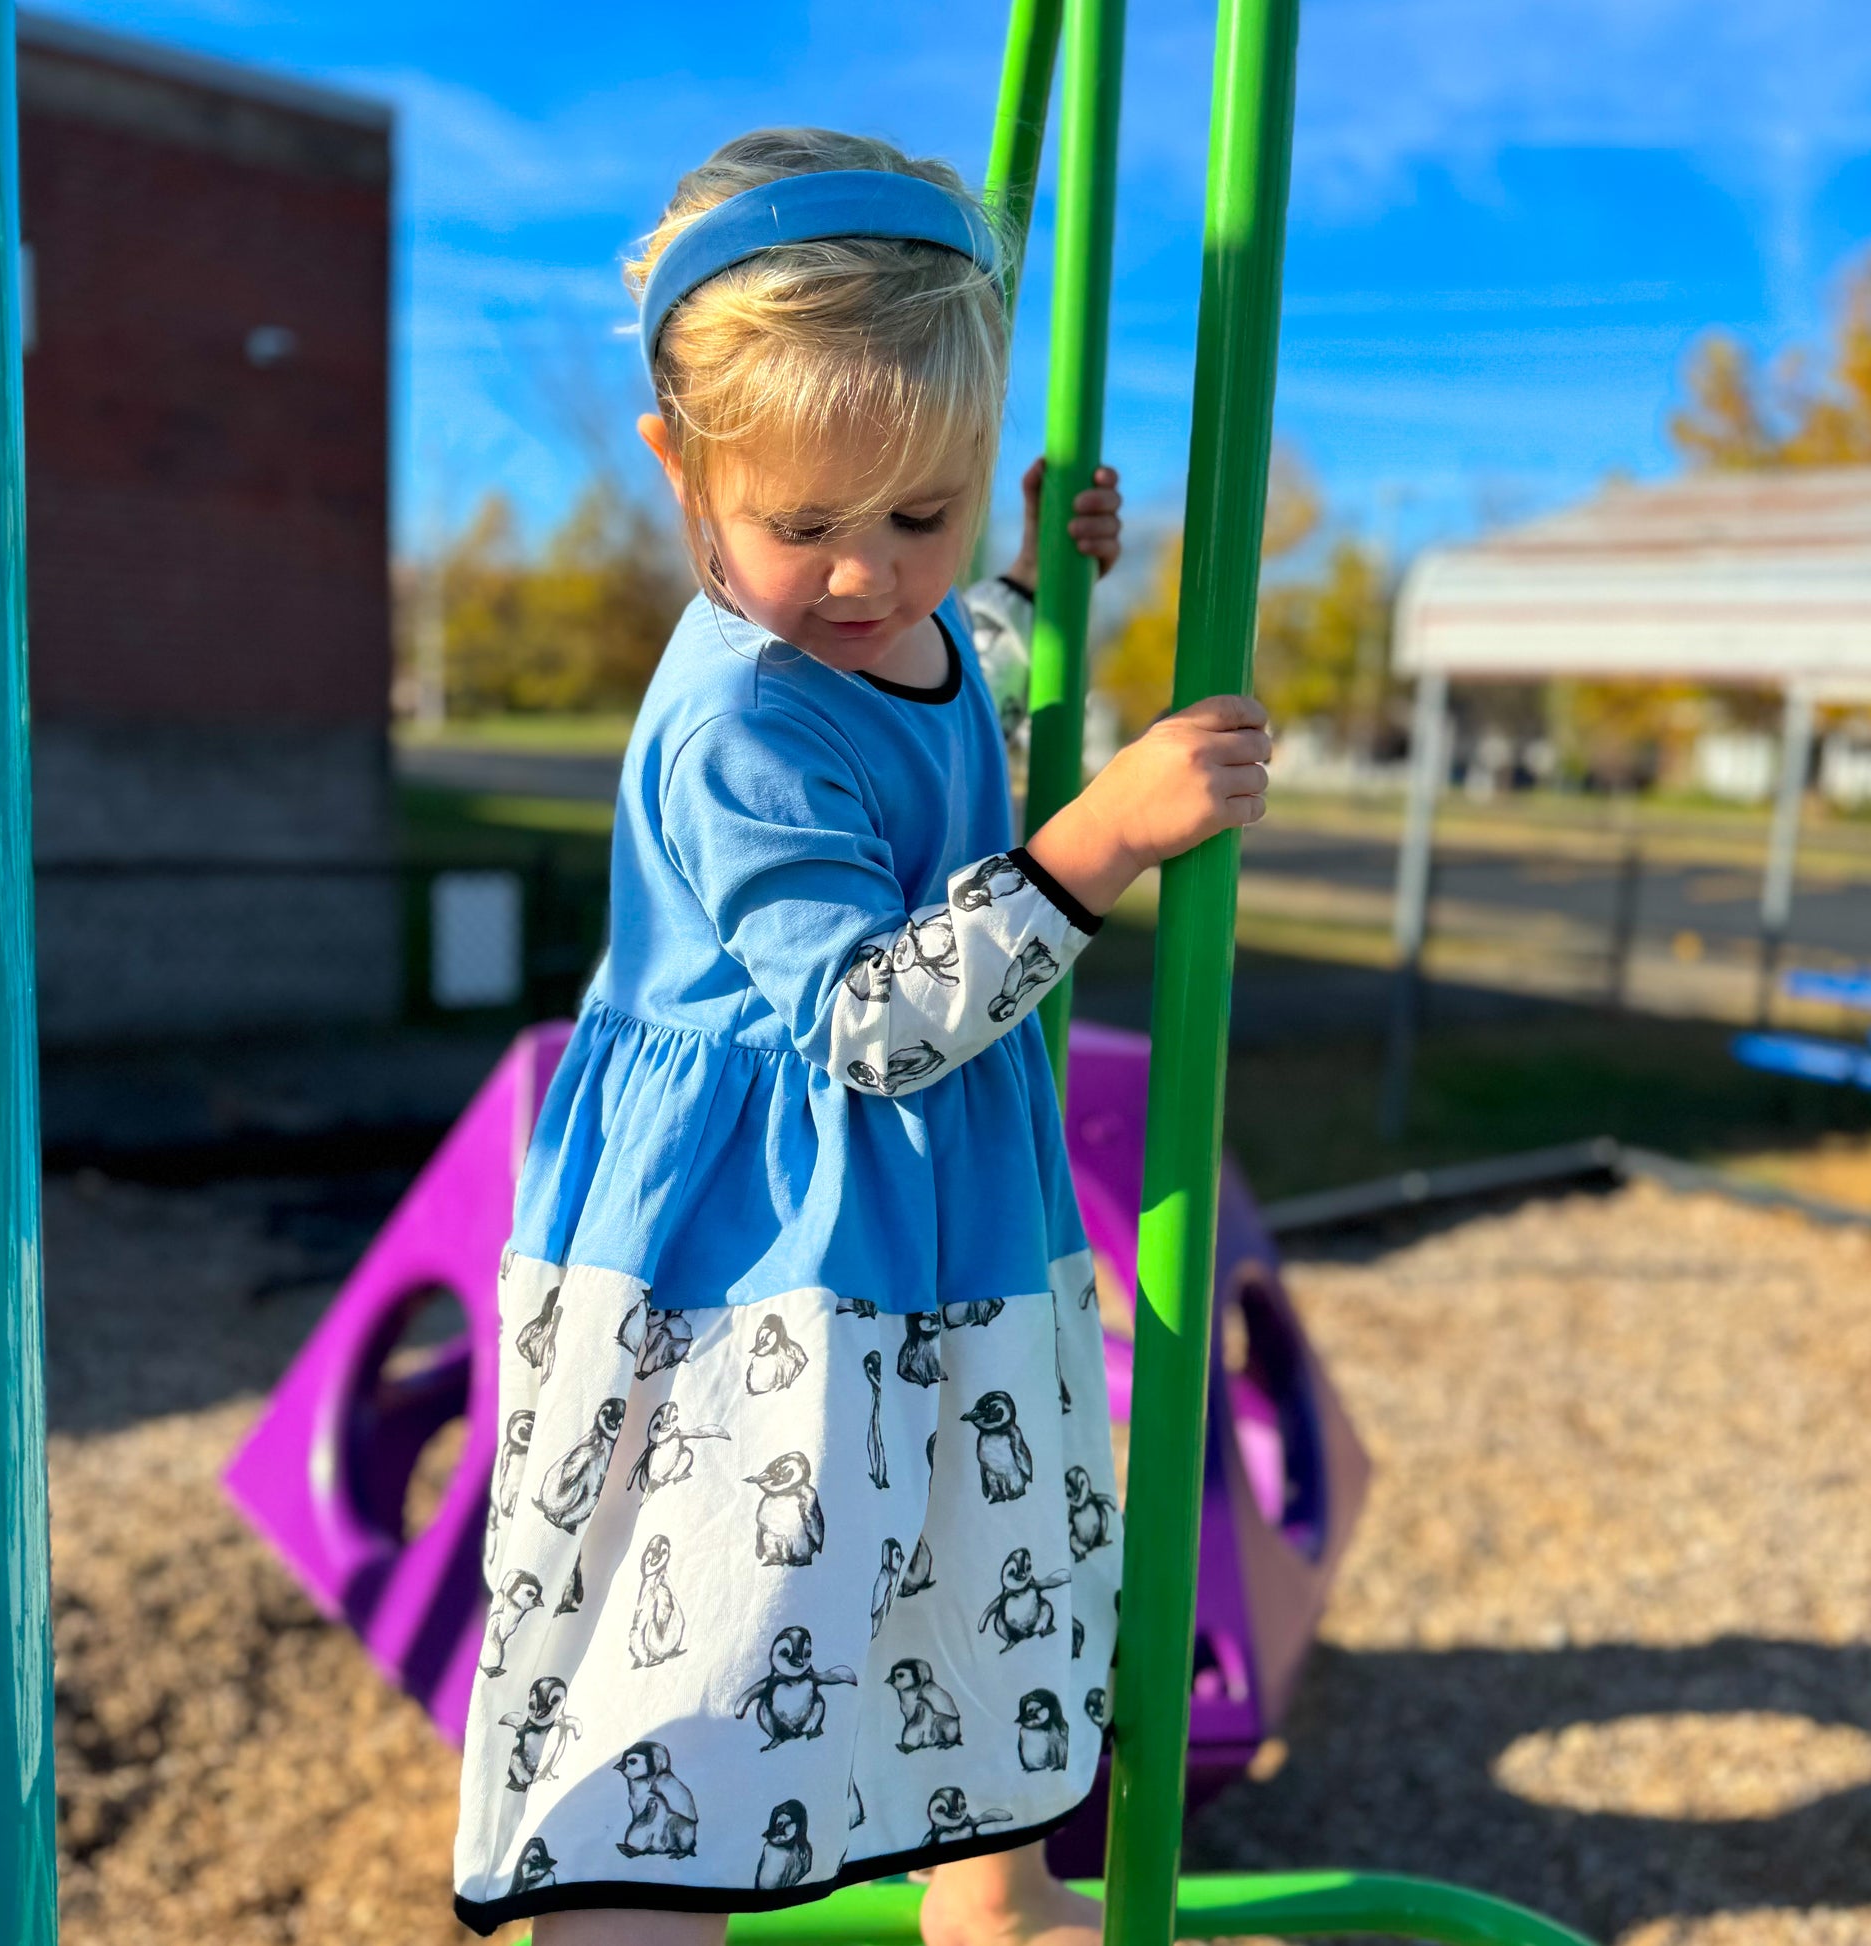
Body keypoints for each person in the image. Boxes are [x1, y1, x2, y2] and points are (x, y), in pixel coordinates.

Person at [451, 128, 1271, 1946]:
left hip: (916, 1225)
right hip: (749, 1242)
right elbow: (865, 1020)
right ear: (681, 474)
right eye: (803, 524)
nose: (861, 574)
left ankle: (996, 1891)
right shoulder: (730, 721)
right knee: (713, 1619)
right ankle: (626, 1915)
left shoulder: (906, 614)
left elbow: (941, 657)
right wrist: (1100, 838)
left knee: (966, 1558)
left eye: (920, 509)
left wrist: (1029, 588)